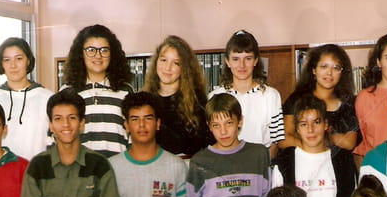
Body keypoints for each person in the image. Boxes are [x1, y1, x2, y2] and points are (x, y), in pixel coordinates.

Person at [187, 93, 270, 197]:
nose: (223, 131)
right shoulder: (200, 160)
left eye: (229, 123)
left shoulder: (258, 154)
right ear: (209, 126)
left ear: (240, 121)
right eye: (216, 125)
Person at [110, 91, 187, 197]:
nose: (142, 125)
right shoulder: (113, 167)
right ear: (126, 125)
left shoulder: (176, 166)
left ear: (158, 123)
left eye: (148, 118)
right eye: (135, 119)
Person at [274, 95, 357, 197]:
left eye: (316, 122)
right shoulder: (286, 161)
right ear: (297, 128)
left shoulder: (342, 160)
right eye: (304, 124)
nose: (310, 130)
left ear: (326, 124)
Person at [210, 30, 284, 160]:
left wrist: (258, 165)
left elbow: (276, 142)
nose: (242, 65)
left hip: (260, 165)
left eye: (248, 58)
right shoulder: (214, 96)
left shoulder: (271, 96)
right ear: (227, 61)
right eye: (235, 59)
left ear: (255, 61)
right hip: (226, 164)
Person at [62, 24, 133, 157]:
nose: (98, 56)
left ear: (112, 54)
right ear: (81, 53)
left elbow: (133, 135)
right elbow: (57, 137)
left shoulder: (125, 91)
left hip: (117, 166)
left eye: (104, 50)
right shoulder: (67, 92)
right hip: (80, 167)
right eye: (91, 50)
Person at [281, 44, 358, 166]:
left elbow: (349, 142)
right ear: (314, 70)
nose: (329, 73)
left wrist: (316, 139)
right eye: (324, 66)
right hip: (303, 164)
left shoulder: (348, 103)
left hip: (338, 167)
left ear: (342, 73)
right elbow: (284, 140)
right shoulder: (297, 99)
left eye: (336, 68)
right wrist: (318, 145)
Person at [142, 35, 212, 157]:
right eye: (163, 60)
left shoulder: (197, 100)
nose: (167, 68)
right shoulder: (145, 99)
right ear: (156, 61)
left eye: (176, 63)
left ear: (184, 68)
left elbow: (203, 146)